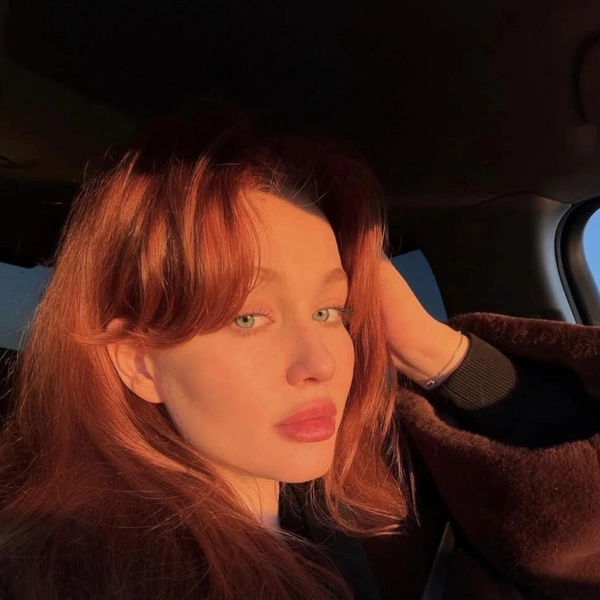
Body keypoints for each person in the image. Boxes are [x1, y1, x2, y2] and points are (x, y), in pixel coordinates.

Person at [0, 111, 599, 600]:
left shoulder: (355, 491)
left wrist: (430, 349)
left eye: (330, 311)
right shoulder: (88, 568)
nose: (322, 364)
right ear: (139, 361)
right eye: (247, 317)